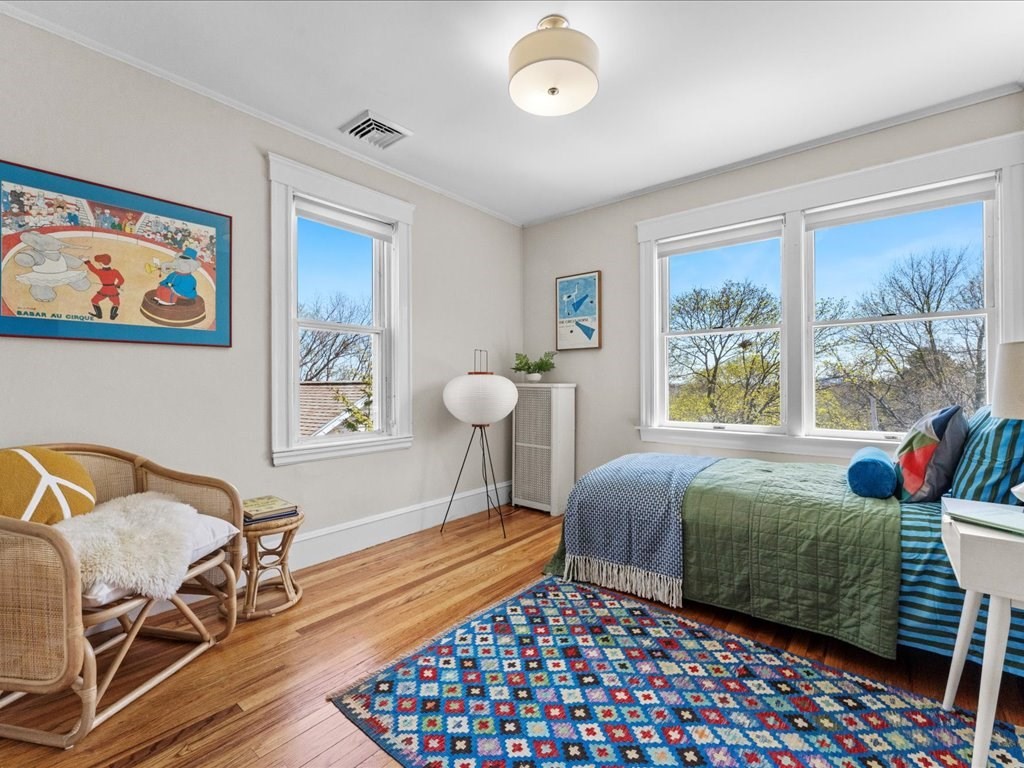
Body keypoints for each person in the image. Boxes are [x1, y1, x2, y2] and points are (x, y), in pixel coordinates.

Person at [84, 253, 125, 319]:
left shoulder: (100, 271)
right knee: (116, 303)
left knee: (94, 300)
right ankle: (112, 316)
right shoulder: (115, 271)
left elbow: (93, 269)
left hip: (104, 289)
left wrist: (87, 261)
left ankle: (99, 314)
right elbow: (121, 280)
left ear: (100, 263)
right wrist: (117, 285)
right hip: (113, 289)